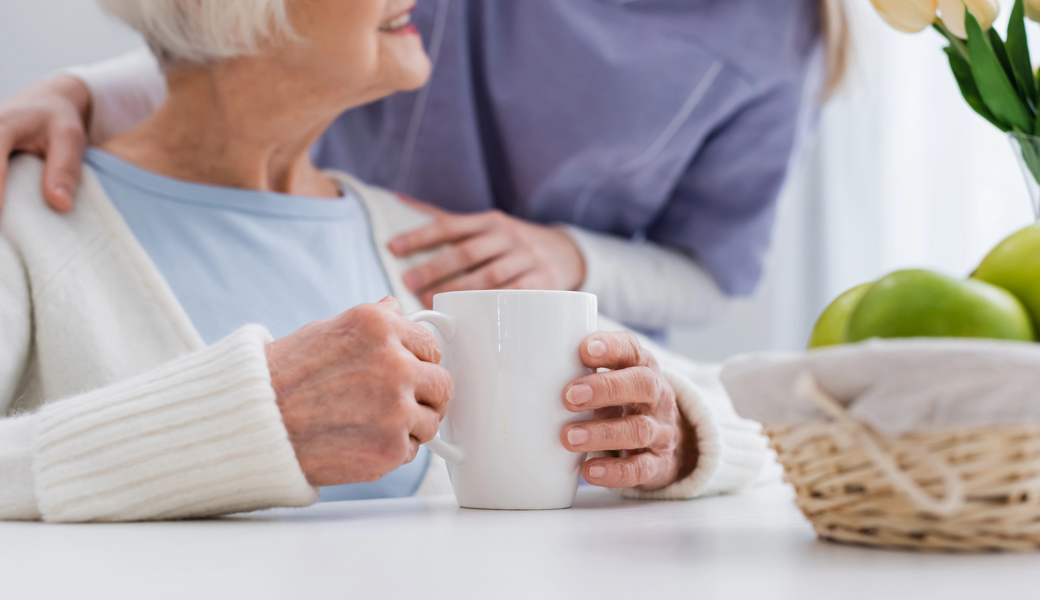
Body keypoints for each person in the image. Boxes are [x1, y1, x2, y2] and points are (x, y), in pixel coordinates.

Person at [0, 0, 767, 522]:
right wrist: (250, 420)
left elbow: (756, 423)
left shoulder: (419, 243)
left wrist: (678, 437)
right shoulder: (26, 215)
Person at [0, 0, 848, 334]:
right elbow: (283, 40)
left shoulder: (779, 37)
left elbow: (712, 269)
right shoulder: (38, 241)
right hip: (306, 275)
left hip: (548, 370)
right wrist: (78, 91)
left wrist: (574, 259)